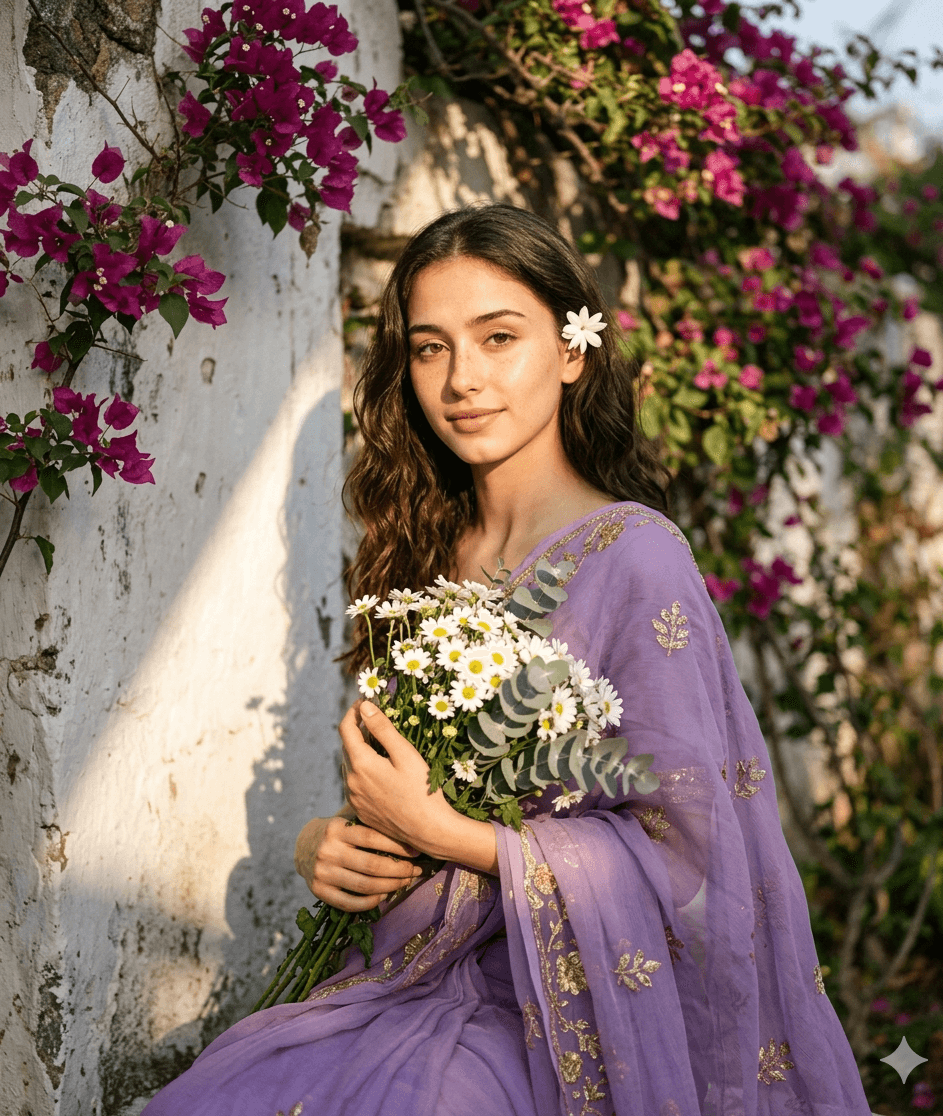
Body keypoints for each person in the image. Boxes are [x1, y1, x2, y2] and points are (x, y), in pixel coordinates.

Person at [143, 204, 875, 1115]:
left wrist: (447, 835)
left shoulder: (635, 558)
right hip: (402, 971)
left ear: (573, 351)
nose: (462, 380)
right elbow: (411, 783)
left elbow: (694, 858)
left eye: (498, 337)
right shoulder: (420, 550)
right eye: (430, 347)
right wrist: (326, 847)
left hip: (552, 1013)